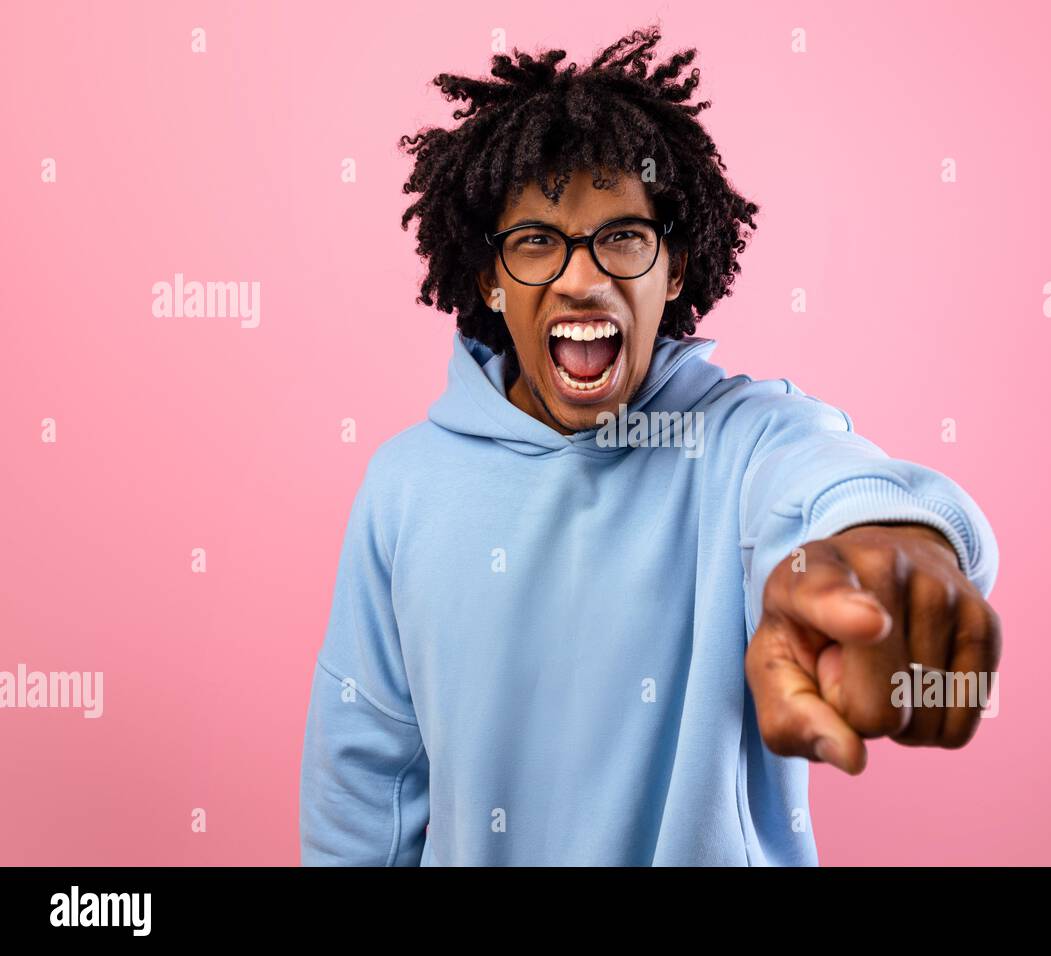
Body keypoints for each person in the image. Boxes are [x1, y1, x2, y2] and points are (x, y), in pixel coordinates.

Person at [299, 25, 1001, 866]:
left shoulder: (741, 438)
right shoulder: (404, 484)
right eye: (535, 241)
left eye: (622, 236)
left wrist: (891, 544)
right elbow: (364, 785)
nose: (580, 276)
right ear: (489, 278)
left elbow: (833, 484)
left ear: (674, 270)